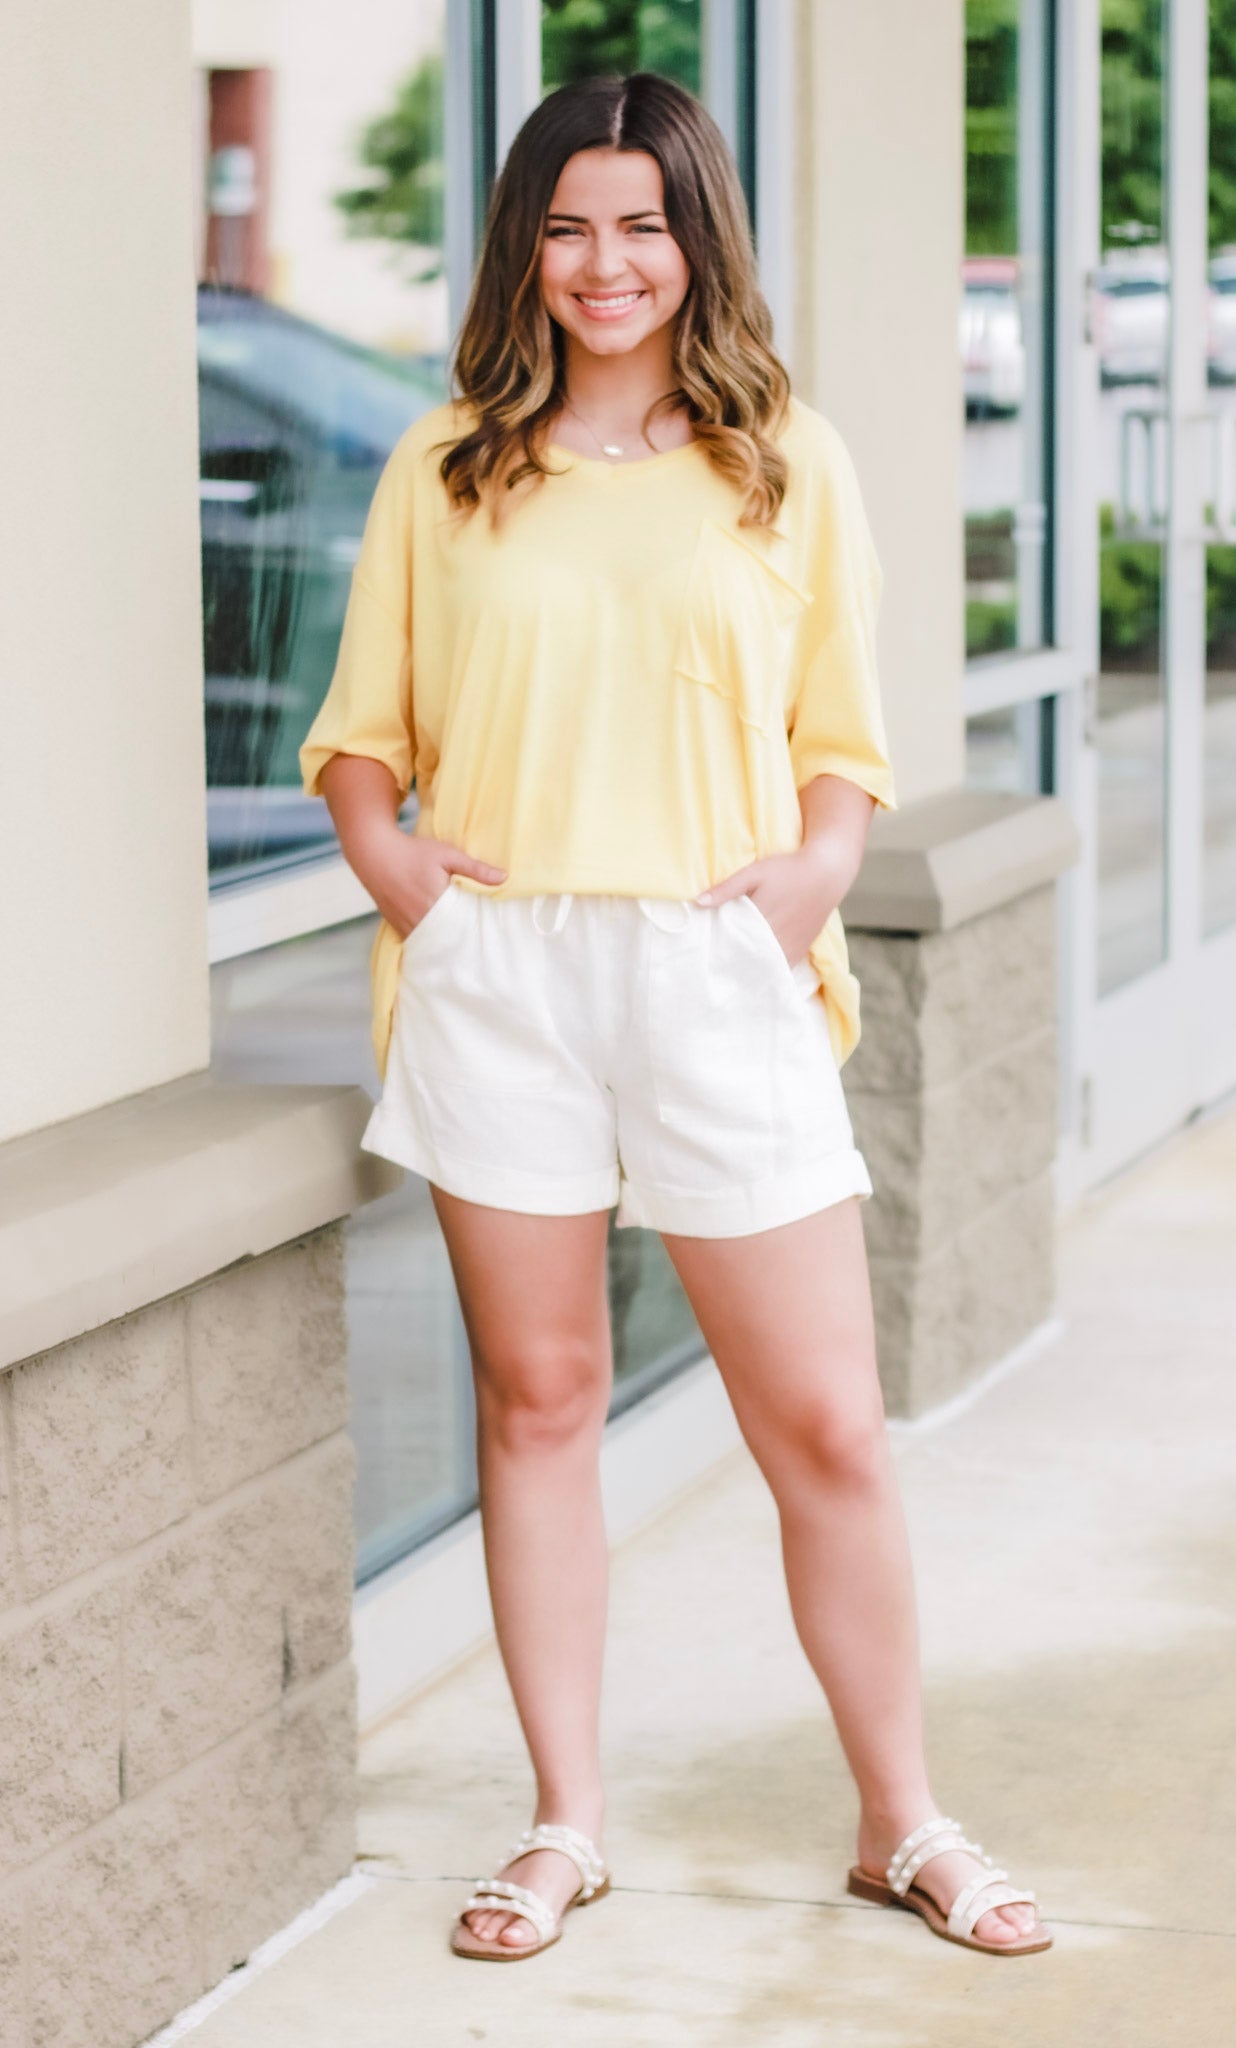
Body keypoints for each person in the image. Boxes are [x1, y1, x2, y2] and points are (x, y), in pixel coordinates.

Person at [298, 70, 1051, 1965]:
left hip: (717, 965)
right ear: (523, 247)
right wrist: (396, 871)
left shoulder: (784, 459)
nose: (603, 263)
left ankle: (902, 1819)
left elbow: (842, 740)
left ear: (698, 239)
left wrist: (809, 876)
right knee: (541, 1401)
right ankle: (564, 1822)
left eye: (640, 223)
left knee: (826, 1425)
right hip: (504, 973)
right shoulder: (449, 466)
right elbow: (360, 738)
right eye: (565, 226)